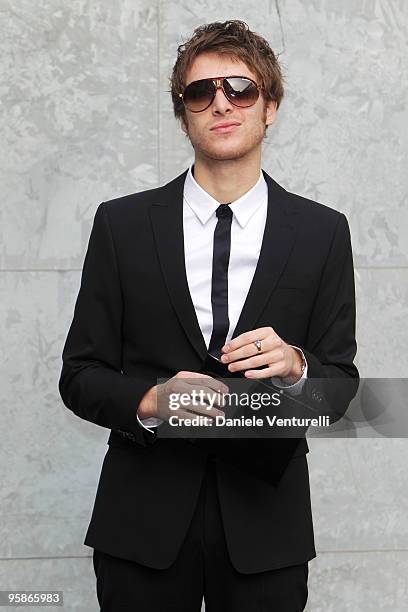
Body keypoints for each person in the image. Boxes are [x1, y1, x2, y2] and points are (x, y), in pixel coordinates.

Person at [59, 20, 359, 611]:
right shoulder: (121, 226)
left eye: (241, 89)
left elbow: (340, 388)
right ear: (184, 114)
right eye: (201, 92)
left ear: (270, 106)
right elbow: (80, 375)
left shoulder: (323, 232)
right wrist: (151, 401)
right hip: (140, 527)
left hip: (266, 528)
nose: (221, 102)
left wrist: (299, 369)